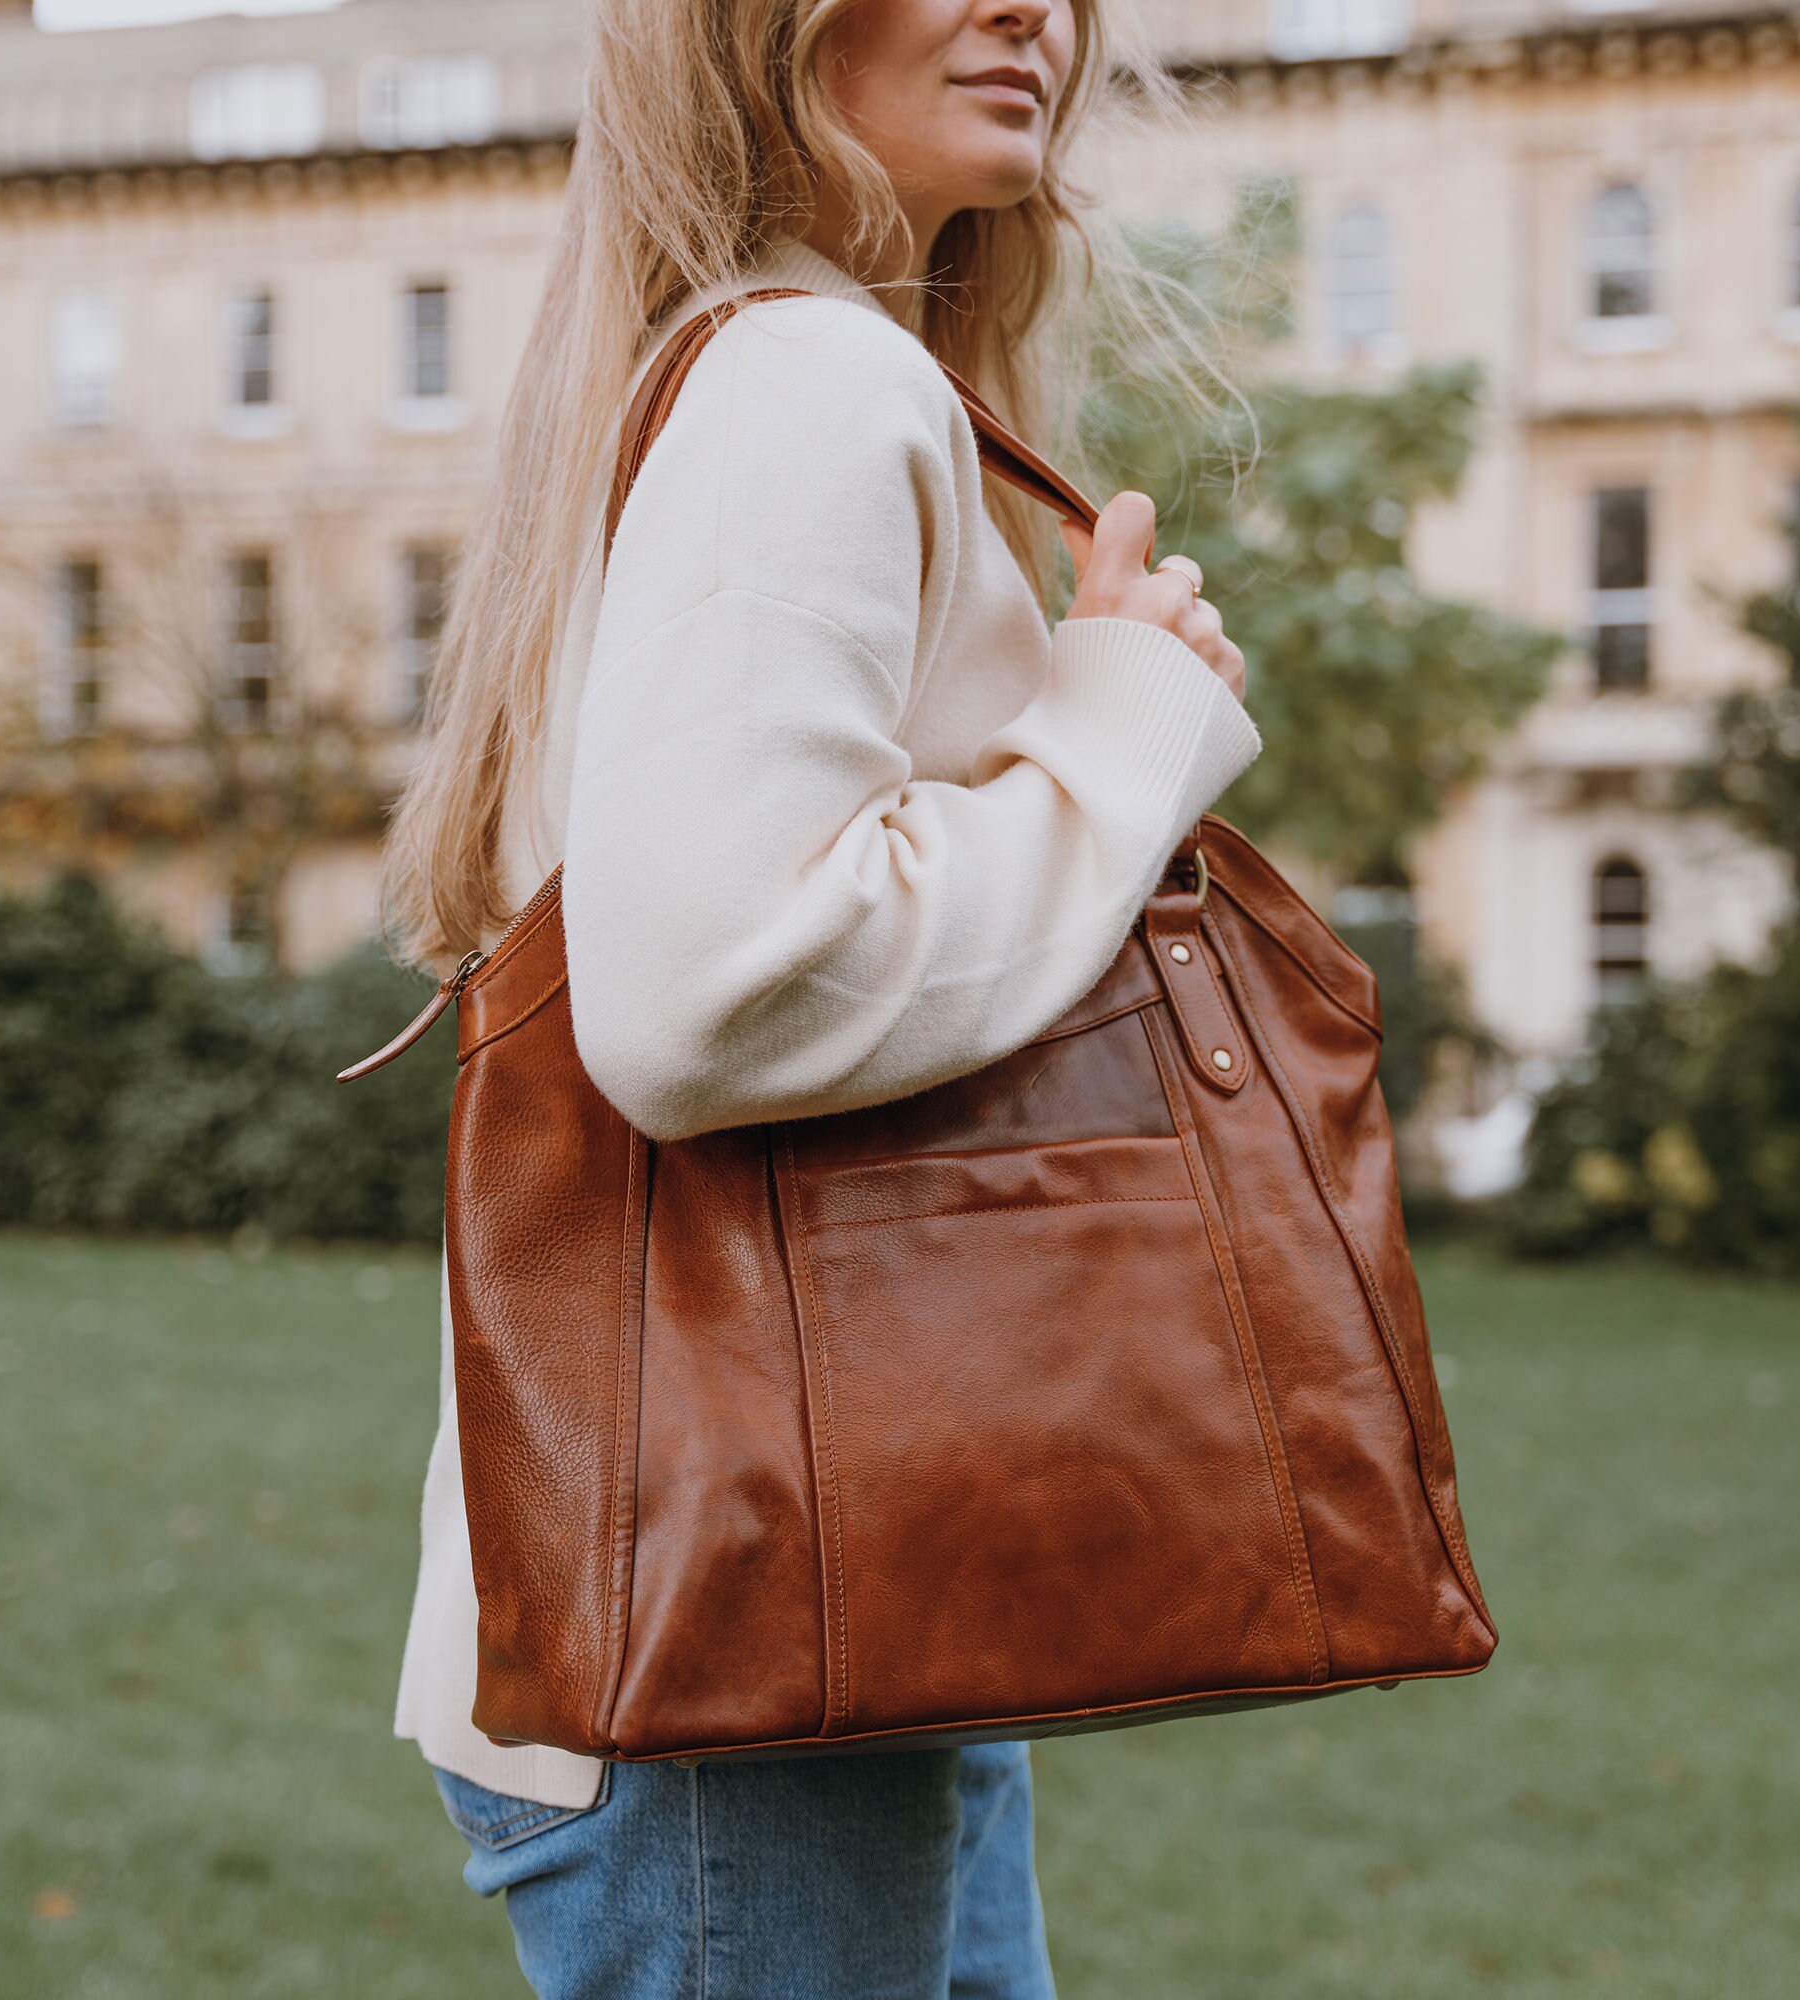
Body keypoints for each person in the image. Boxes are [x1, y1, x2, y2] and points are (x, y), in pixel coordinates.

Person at [376, 1, 1260, 1994]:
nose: (1030, 5)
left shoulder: (741, 374)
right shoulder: (805, 383)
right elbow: (704, 998)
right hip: (744, 1625)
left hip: (818, 1574)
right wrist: (1124, 734)